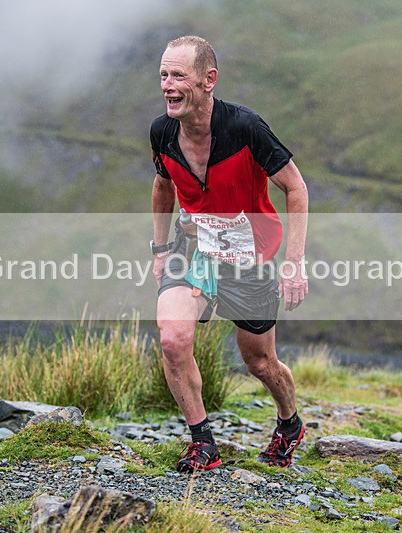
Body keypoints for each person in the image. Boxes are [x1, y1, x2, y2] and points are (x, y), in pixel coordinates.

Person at [149, 35, 309, 472]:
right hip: (193, 248)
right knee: (172, 338)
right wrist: (161, 248)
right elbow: (163, 186)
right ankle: (203, 443)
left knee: (259, 361)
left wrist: (293, 264)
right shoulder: (162, 132)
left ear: (208, 80)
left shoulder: (245, 128)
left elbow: (295, 188)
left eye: (178, 75)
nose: (167, 84)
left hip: (249, 254)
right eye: (163, 74)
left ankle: (289, 423)